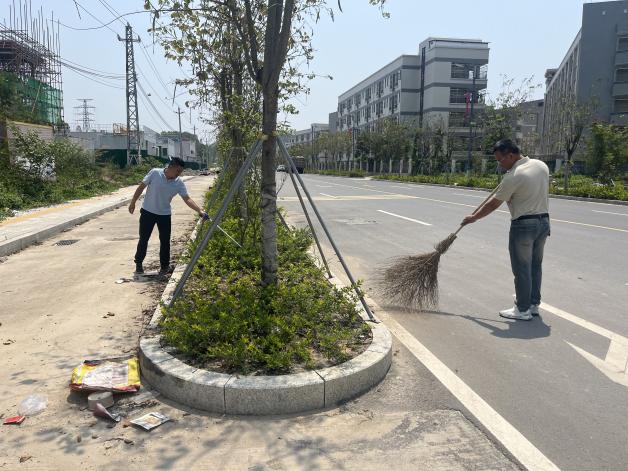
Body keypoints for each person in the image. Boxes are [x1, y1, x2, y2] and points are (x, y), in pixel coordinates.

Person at [461, 139, 550, 321]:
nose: (500, 164)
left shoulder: (513, 176)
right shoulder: (541, 166)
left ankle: (522, 309)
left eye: (500, 160)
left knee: (522, 268)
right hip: (543, 223)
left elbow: (493, 204)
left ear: (510, 155)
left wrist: (474, 217)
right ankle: (533, 304)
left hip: (524, 225)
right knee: (535, 265)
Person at [128, 157, 208, 275]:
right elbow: (141, 187)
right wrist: (133, 202)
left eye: (181, 172)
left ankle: (164, 266)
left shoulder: (178, 183)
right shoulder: (155, 173)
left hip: (164, 215)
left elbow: (187, 198)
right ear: (171, 167)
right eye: (177, 171)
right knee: (144, 239)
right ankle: (138, 263)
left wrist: (199, 210)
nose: (179, 174)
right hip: (148, 212)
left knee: (165, 241)